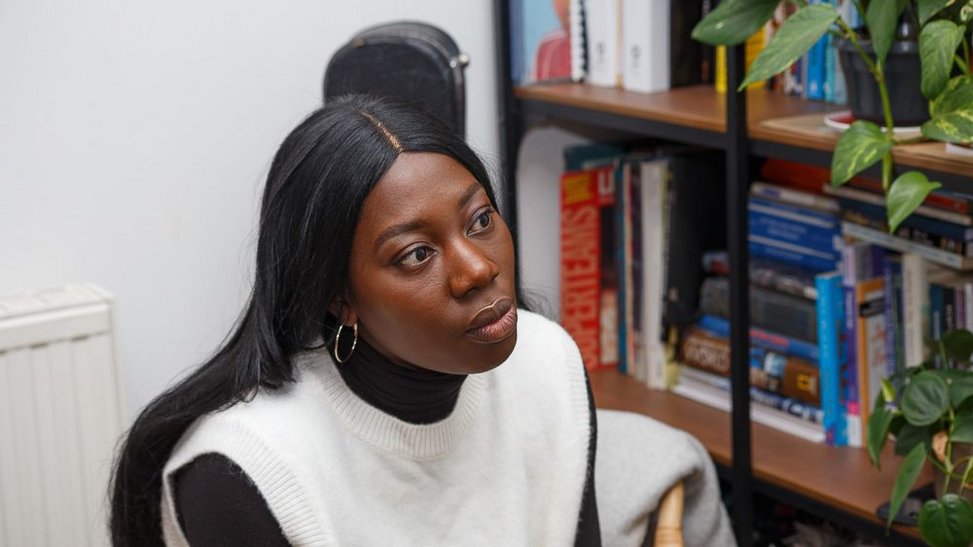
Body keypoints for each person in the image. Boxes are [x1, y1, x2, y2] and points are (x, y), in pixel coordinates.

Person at [109, 94, 602, 546]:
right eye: (415, 254)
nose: (478, 269)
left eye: (479, 221)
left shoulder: (547, 364)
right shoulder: (242, 472)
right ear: (338, 297)